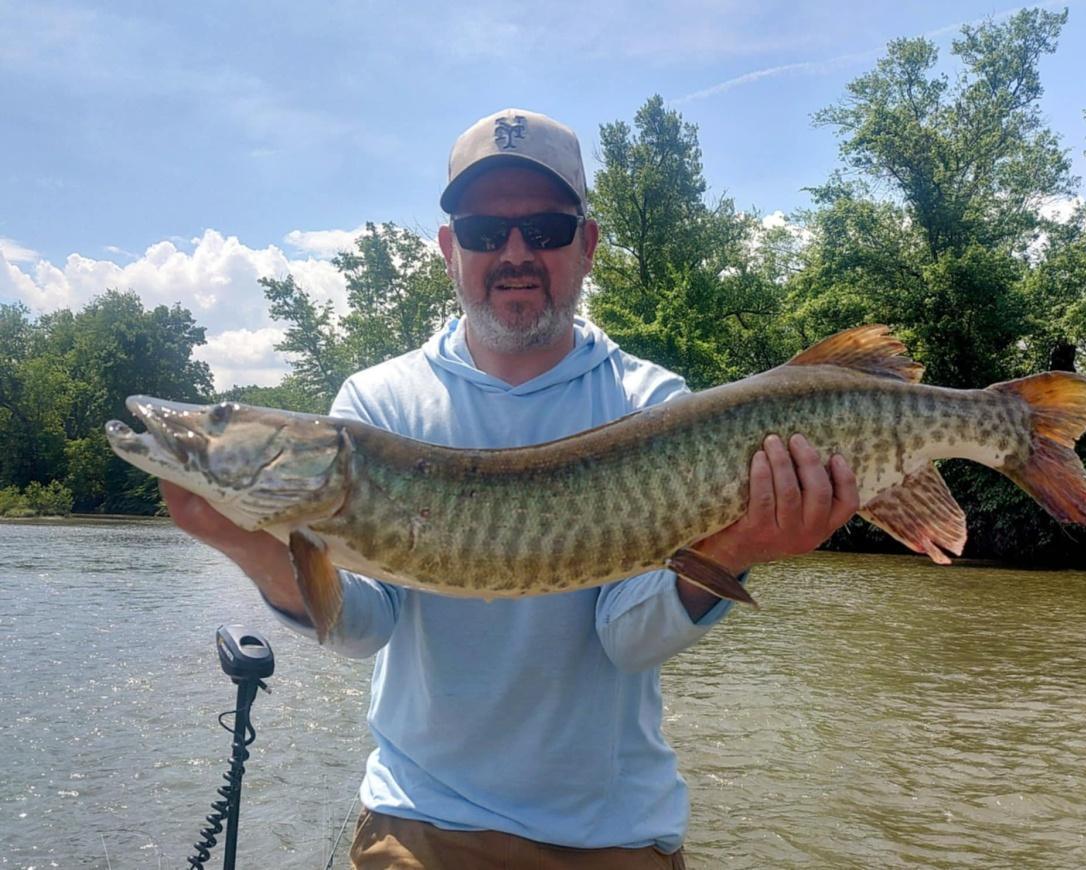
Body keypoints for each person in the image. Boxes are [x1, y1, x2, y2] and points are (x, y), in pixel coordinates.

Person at [163, 108, 859, 869]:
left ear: (587, 246)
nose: (516, 254)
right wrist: (250, 544)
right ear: (449, 250)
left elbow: (629, 641)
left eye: (548, 231)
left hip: (613, 837)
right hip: (419, 828)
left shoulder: (656, 403)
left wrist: (746, 543)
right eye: (486, 232)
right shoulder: (376, 403)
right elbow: (363, 627)